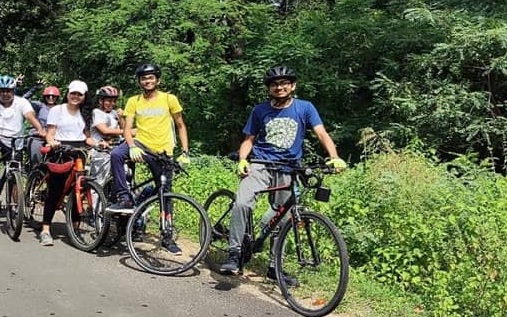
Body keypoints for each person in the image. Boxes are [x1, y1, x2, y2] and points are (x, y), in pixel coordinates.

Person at [218, 65, 347, 277]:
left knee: (283, 216)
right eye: (274, 84)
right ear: (269, 88)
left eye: (284, 83)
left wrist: (334, 157)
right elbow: (249, 140)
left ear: (292, 86)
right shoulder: (260, 110)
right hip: (260, 164)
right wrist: (243, 159)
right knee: (242, 202)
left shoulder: (305, 107)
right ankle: (234, 253)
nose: (279, 87)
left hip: (288, 168)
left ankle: (273, 266)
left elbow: (321, 133)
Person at [106, 63, 191, 254]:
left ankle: (167, 237)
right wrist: (132, 146)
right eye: (144, 78)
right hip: (141, 145)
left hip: (163, 151)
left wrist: (185, 152)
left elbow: (181, 125)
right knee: (116, 154)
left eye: (151, 77)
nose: (147, 81)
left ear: (158, 80)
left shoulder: (169, 99)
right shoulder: (133, 101)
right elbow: (127, 128)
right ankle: (124, 197)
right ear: (139, 81)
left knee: (165, 194)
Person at [36, 80, 101, 246]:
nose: (75, 97)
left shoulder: (86, 113)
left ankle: (75, 227)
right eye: (73, 93)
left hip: (79, 151)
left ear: (84, 97)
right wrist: (53, 142)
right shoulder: (57, 110)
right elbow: (50, 134)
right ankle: (45, 229)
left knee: (78, 188)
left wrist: (98, 143)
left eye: (79, 94)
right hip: (60, 150)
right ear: (68, 94)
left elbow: (87, 136)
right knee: (56, 190)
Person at [0, 75, 46, 192]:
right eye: (2, 91)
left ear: (13, 91)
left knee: (14, 179)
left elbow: (30, 117)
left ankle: (17, 208)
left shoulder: (22, 102)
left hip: (15, 142)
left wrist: (40, 129)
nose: (5, 94)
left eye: (8, 91)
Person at [89, 85, 124, 185]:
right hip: (101, 150)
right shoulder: (96, 112)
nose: (112, 104)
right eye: (108, 101)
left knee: (123, 177)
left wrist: (121, 117)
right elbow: (104, 130)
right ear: (101, 101)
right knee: (99, 181)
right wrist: (127, 132)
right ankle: (95, 200)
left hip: (116, 149)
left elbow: (125, 128)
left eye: (114, 101)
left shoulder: (114, 113)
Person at [27, 83, 61, 166]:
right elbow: (23, 100)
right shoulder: (40, 106)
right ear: (44, 97)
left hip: (54, 138)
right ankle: (35, 174)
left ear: (57, 97)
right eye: (48, 96)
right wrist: (34, 89)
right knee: (36, 160)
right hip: (38, 136)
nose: (50, 98)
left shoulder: (60, 108)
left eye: (53, 96)